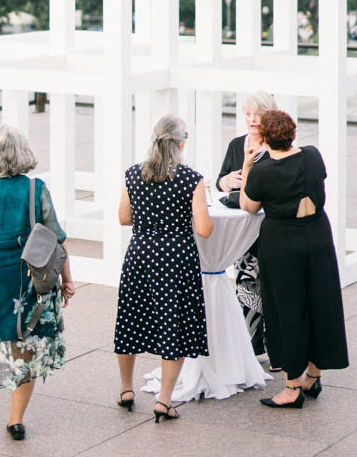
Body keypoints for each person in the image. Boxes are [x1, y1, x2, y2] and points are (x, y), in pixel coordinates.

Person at [0, 124, 75, 441]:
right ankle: (15, 421)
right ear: (23, 154)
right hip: (26, 283)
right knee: (24, 347)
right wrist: (67, 281)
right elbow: (57, 241)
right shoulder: (36, 190)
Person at [240, 109, 349, 408]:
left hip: (282, 241)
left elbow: (248, 206)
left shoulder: (262, 170)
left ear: (264, 137)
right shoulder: (313, 156)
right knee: (321, 303)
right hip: (317, 235)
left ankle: (291, 388)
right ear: (292, 132)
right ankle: (312, 377)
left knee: (286, 309)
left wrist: (248, 165)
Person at [114, 115, 213, 423]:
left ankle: (126, 389)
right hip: (175, 259)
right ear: (181, 144)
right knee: (174, 327)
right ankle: (164, 400)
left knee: (130, 320)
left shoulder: (133, 174)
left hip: (140, 254)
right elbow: (205, 229)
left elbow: (123, 218)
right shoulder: (190, 179)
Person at [216, 90, 277, 361]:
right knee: (246, 286)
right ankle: (251, 349)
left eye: (258, 114)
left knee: (273, 288)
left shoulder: (277, 146)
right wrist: (226, 181)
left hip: (269, 228)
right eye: (248, 114)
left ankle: (276, 350)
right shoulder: (235, 145)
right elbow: (219, 181)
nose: (252, 120)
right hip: (242, 231)